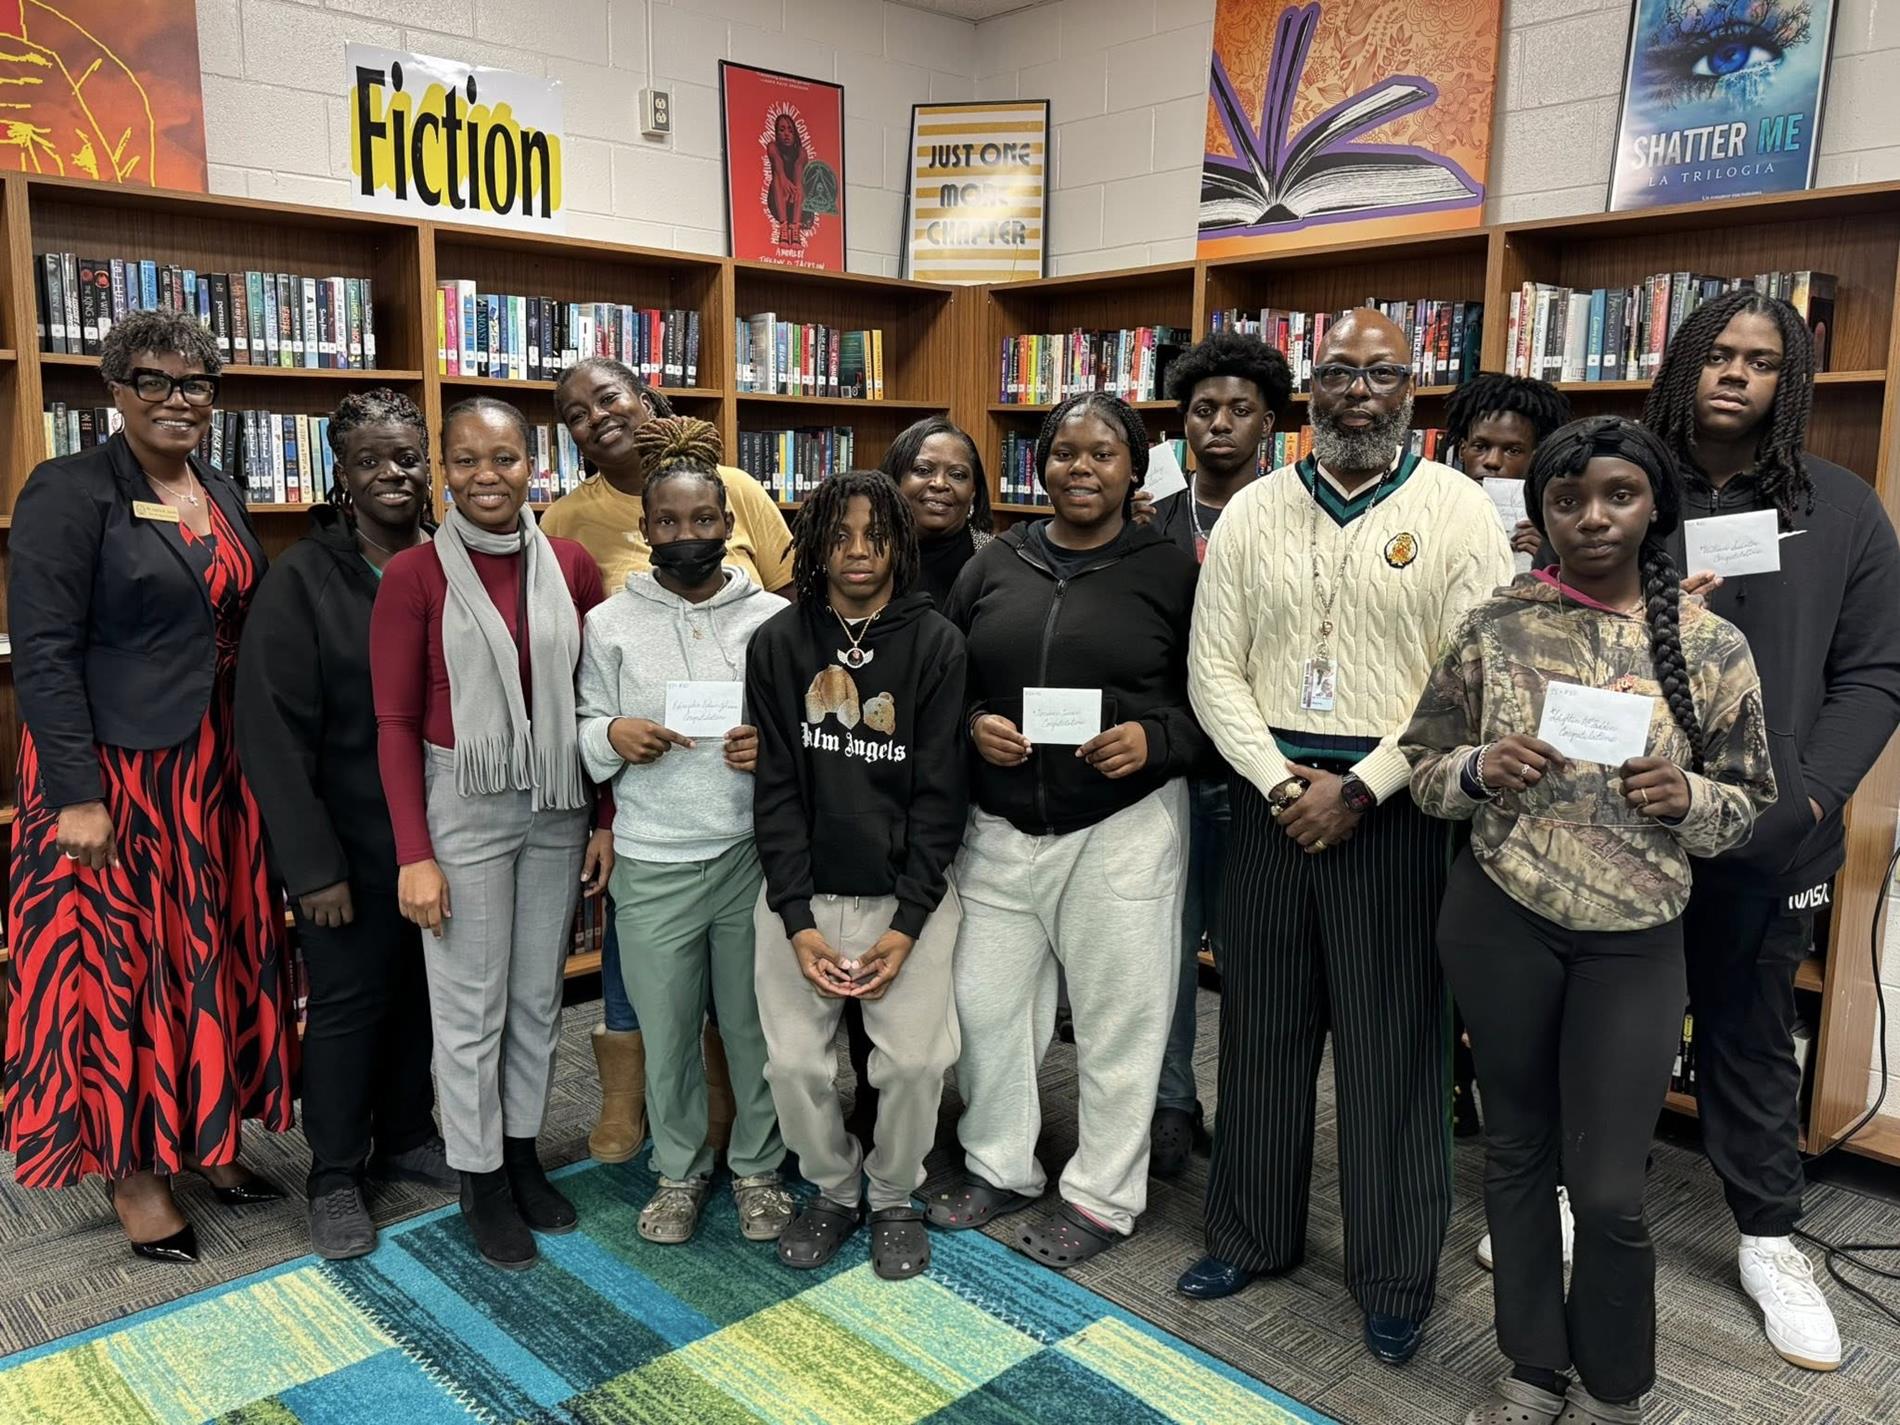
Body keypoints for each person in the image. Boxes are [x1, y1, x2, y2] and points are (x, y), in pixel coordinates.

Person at [1404, 414, 1775, 1425]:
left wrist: (1684, 799)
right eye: (1566, 500)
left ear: (1655, 504)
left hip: (1635, 937)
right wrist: (1480, 768)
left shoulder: (1710, 646)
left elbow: (1746, 807)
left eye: (1618, 495)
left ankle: (1615, 1387)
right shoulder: (1495, 624)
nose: (1592, 518)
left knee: (1607, 1185)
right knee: (1517, 1154)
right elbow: (1423, 766)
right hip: (1499, 917)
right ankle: (1530, 1368)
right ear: (1541, 512)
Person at [1179, 308, 1514, 1364]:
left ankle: (1393, 1275)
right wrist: (1283, 784)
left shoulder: (1458, 510)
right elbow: (1210, 667)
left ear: (1410, 388)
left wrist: (1359, 790)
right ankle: (1249, 1236)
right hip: (1271, 803)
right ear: (1308, 391)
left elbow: (1468, 678)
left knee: (1394, 1052)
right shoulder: (1252, 511)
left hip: (1401, 812)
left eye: (1380, 373)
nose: (1357, 392)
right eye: (1337, 374)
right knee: (1262, 1032)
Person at [1644, 288, 1900, 1372]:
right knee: (1610, 1026)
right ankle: (1577, 1194)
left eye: (1760, 359)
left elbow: (1875, 671)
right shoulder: (1616, 486)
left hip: (1769, 835)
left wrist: (1809, 795)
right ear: (1684, 364)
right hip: (1620, 827)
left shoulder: (1839, 508)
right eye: (1718, 354)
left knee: (1748, 1039)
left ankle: (1765, 1238)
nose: (1736, 373)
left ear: (1787, 381)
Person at [4, 308, 294, 1262]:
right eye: (154, 381)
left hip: (213, 765)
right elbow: (43, 654)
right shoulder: (69, 490)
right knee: (121, 969)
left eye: (197, 382)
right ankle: (134, 1170)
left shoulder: (216, 484)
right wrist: (77, 792)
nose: (178, 399)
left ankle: (208, 1134)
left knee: (207, 952)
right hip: (115, 771)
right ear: (114, 389)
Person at [930, 392, 1208, 1270]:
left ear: (1136, 470)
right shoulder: (994, 562)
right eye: (1063, 454)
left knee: (1121, 1017)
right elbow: (948, 678)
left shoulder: (1172, 570)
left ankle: (1101, 1194)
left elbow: (1220, 703)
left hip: (1120, 826)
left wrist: (1155, 738)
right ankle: (1000, 1163)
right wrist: (974, 722)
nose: (1080, 469)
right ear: (1037, 465)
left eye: (1102, 454)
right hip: (1000, 825)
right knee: (985, 1009)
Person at [371, 395, 615, 1271]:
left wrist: (604, 820)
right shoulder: (413, 577)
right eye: (467, 459)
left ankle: (519, 1155)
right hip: (461, 801)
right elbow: (395, 723)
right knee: (469, 1006)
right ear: (444, 469)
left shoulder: (573, 565)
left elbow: (597, 703)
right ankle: (478, 1177)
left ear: (531, 463)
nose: (486, 476)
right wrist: (415, 854)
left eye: (504, 458)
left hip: (558, 799)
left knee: (536, 999)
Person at [546, 358, 794, 1161]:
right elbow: (581, 715)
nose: (687, 534)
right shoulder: (605, 605)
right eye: (575, 412)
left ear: (726, 519)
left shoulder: (770, 611)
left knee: (750, 1016)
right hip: (651, 836)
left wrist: (778, 748)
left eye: (704, 521)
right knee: (663, 1008)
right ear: (645, 530)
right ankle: (674, 1158)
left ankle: (752, 1156)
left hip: (748, 841)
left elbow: (805, 693)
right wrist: (611, 736)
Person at [236, 390, 458, 1260]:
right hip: (349, 847)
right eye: (371, 460)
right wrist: (312, 867)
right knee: (348, 1007)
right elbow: (271, 733)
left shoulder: (451, 563)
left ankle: (407, 1132)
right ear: (343, 472)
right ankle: (333, 1171)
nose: (392, 474)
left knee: (422, 998)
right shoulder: (303, 577)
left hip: (444, 840)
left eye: (407, 456)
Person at [747, 471, 967, 1280]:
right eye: (839, 536)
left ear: (902, 544)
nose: (858, 554)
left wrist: (907, 925)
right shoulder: (778, 642)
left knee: (913, 1062)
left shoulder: (937, 643)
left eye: (876, 536)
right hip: (802, 892)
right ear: (812, 544)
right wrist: (797, 919)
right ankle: (834, 1190)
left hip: (903, 893)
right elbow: (773, 790)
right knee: (796, 1065)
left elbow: (943, 796)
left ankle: (894, 1194)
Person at [1144, 330, 1292, 1177]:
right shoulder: (1153, 528)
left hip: (1265, 773)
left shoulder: (1294, 522)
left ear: (1268, 422)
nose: (1222, 424)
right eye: (1205, 410)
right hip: (1173, 774)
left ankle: (1251, 1109)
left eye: (1240, 409)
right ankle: (1171, 1101)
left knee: (1256, 960)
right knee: (1165, 951)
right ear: (1183, 426)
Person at [1442, 373, 1571, 1144]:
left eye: (1511, 452)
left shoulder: (1564, 532)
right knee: (1441, 945)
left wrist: (1539, 559)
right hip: (1445, 756)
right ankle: (1451, 1088)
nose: (1491, 463)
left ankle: (1536, 1122)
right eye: (1478, 446)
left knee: (1516, 958)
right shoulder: (1429, 509)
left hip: (1527, 769)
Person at [880, 415, 995, 610]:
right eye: (923, 470)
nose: (940, 484)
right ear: (894, 479)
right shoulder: (862, 553)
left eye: (957, 475)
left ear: (973, 491)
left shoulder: (995, 560)